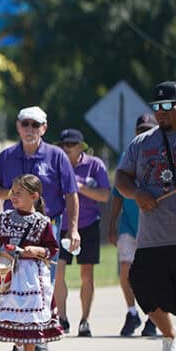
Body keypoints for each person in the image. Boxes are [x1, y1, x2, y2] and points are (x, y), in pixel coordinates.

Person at [115, 81, 176, 351]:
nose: (161, 113)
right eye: (157, 108)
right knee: (141, 285)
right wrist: (136, 193)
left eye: (167, 106)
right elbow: (121, 176)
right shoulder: (142, 143)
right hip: (151, 237)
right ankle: (169, 334)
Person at [0, 106, 78, 351]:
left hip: (47, 225)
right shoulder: (6, 156)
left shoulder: (56, 156)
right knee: (14, 281)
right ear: (18, 126)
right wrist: (16, 195)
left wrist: (73, 229)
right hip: (13, 227)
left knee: (43, 281)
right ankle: (19, 333)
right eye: (25, 124)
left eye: (35, 125)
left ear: (44, 128)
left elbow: (71, 193)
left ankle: (38, 333)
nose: (30, 129)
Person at [0, 174, 63, 351]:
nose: (13, 196)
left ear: (34, 196)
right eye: (12, 192)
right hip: (10, 275)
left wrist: (37, 251)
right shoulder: (3, 218)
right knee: (15, 315)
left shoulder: (42, 222)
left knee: (29, 316)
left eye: (19, 193)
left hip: (31, 275)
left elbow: (52, 249)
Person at [53, 129, 111, 337]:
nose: (66, 148)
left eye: (70, 144)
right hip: (62, 225)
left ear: (80, 146)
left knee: (87, 274)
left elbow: (105, 195)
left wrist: (78, 187)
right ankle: (62, 318)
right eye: (63, 145)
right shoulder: (57, 164)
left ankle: (85, 319)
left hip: (88, 225)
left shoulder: (95, 165)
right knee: (58, 272)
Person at [107, 114, 159, 337]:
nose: (144, 133)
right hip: (128, 224)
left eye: (148, 129)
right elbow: (118, 193)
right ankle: (132, 312)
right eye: (140, 129)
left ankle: (152, 317)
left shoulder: (160, 155)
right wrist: (112, 224)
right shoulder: (127, 156)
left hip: (154, 224)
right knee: (126, 269)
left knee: (152, 272)